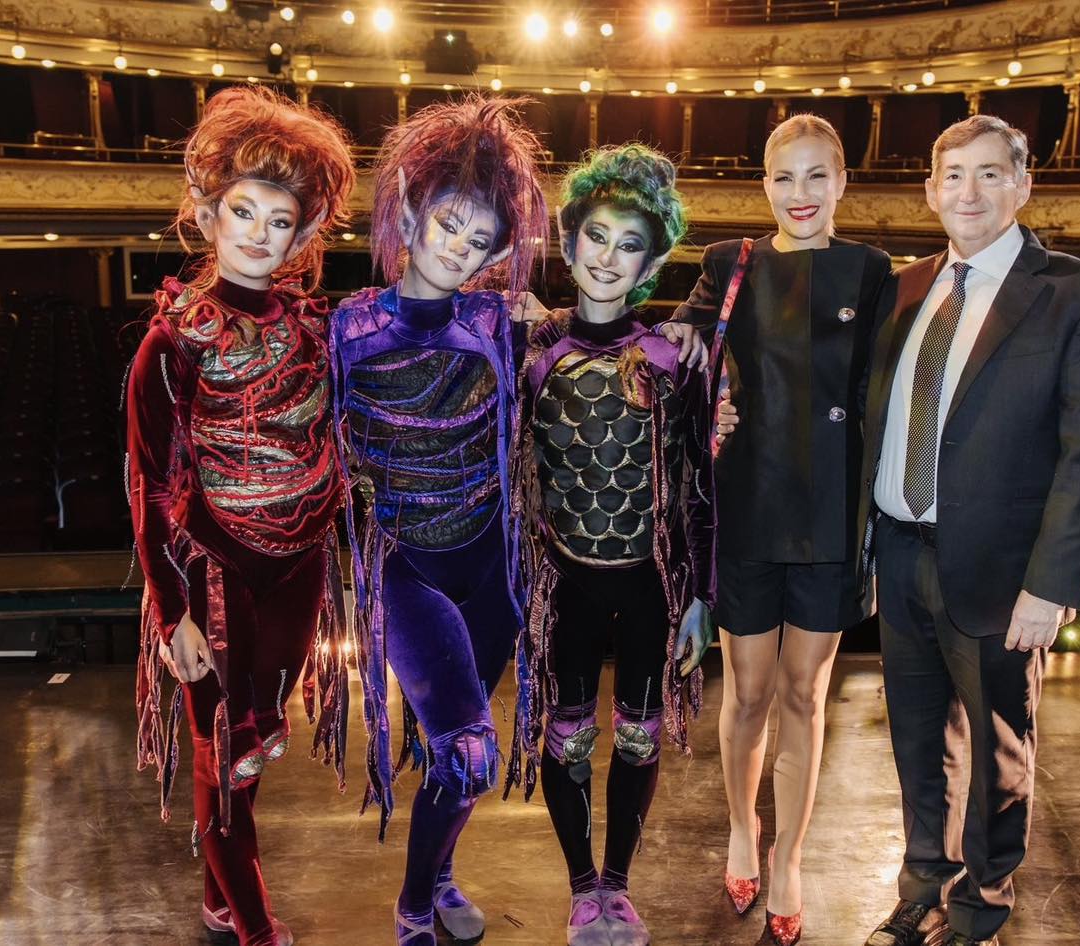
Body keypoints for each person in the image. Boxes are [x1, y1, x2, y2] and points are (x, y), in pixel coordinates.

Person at [322, 99, 705, 946]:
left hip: (492, 569)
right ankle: (412, 906)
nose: (459, 247)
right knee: (467, 747)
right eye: (448, 226)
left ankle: (443, 873)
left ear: (500, 252)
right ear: (410, 213)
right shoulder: (346, 329)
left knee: (455, 750)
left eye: (480, 239)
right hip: (406, 568)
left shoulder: (498, 322)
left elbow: (618, 378)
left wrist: (702, 344)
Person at [858, 115, 1080, 946]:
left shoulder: (1079, 295)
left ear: (1023, 185)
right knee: (917, 744)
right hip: (899, 552)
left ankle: (981, 908)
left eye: (988, 173)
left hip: (1005, 575)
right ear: (930, 190)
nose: (968, 192)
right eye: (953, 175)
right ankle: (921, 891)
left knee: (998, 755)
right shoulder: (907, 286)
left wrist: (1053, 586)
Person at [128, 85, 355, 946]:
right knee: (221, 746)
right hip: (212, 575)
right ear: (208, 214)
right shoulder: (173, 339)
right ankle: (254, 927)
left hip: (299, 570)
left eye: (280, 220)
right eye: (244, 212)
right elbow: (150, 486)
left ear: (302, 234)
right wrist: (172, 613)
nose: (260, 233)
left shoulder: (315, 327)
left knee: (250, 747)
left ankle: (219, 895)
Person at [671, 113, 892, 946]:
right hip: (749, 505)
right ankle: (742, 828)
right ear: (764, 184)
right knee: (750, 690)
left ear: (842, 183)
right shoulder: (729, 264)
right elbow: (671, 353)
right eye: (783, 177)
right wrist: (707, 406)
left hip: (831, 512)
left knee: (805, 694)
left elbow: (886, 388)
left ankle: (789, 857)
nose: (800, 193)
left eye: (816, 175)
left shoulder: (872, 271)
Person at [510, 144, 716, 946]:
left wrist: (701, 597)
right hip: (566, 582)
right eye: (596, 236)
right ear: (569, 242)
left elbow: (699, 486)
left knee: (638, 732)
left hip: (650, 586)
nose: (608, 256)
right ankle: (579, 887)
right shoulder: (532, 348)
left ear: (652, 263)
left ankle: (617, 886)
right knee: (565, 735)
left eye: (629, 244)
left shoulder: (672, 357)